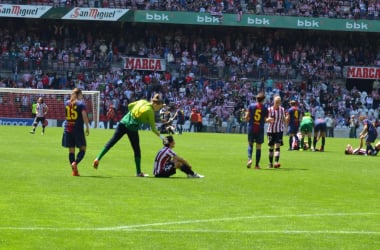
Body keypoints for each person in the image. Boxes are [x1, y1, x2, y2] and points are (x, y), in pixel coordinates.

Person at [93, 93, 164, 177]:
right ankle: (138, 172)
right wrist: (162, 137)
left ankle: (98, 158)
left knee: (112, 142)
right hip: (132, 128)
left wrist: (133, 113)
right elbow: (153, 128)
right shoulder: (150, 111)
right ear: (155, 104)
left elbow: (129, 105)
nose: (158, 110)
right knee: (136, 150)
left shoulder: (142, 101)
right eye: (159, 107)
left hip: (123, 122)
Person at [61, 88, 90, 176]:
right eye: (81, 94)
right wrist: (87, 127)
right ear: (78, 94)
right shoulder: (81, 104)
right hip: (77, 128)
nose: (82, 96)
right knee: (83, 148)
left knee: (71, 150)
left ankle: (74, 171)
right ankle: (75, 163)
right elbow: (84, 116)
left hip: (67, 128)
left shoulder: (66, 103)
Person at [246, 92, 269, 169]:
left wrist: (248, 118)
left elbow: (246, 117)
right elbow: (266, 120)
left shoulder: (251, 106)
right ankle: (257, 165)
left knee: (250, 144)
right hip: (260, 129)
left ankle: (249, 159)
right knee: (258, 147)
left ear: (256, 99)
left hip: (251, 128)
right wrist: (269, 120)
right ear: (263, 100)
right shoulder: (265, 108)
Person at [267, 95, 286, 168]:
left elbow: (283, 118)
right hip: (271, 131)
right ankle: (270, 163)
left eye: (279, 102)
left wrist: (286, 125)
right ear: (274, 102)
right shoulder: (269, 110)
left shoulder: (282, 109)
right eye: (276, 102)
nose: (278, 103)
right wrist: (268, 119)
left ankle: (276, 162)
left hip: (279, 130)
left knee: (277, 147)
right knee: (271, 147)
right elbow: (266, 119)